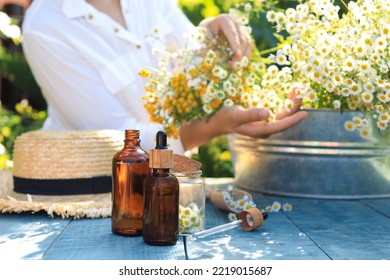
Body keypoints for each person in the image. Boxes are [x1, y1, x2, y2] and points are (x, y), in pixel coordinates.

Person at [21, 0, 308, 154]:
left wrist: (211, 33)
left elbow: (190, 58)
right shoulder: (45, 27)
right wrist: (214, 126)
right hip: (88, 199)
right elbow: (123, 141)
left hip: (168, 186)